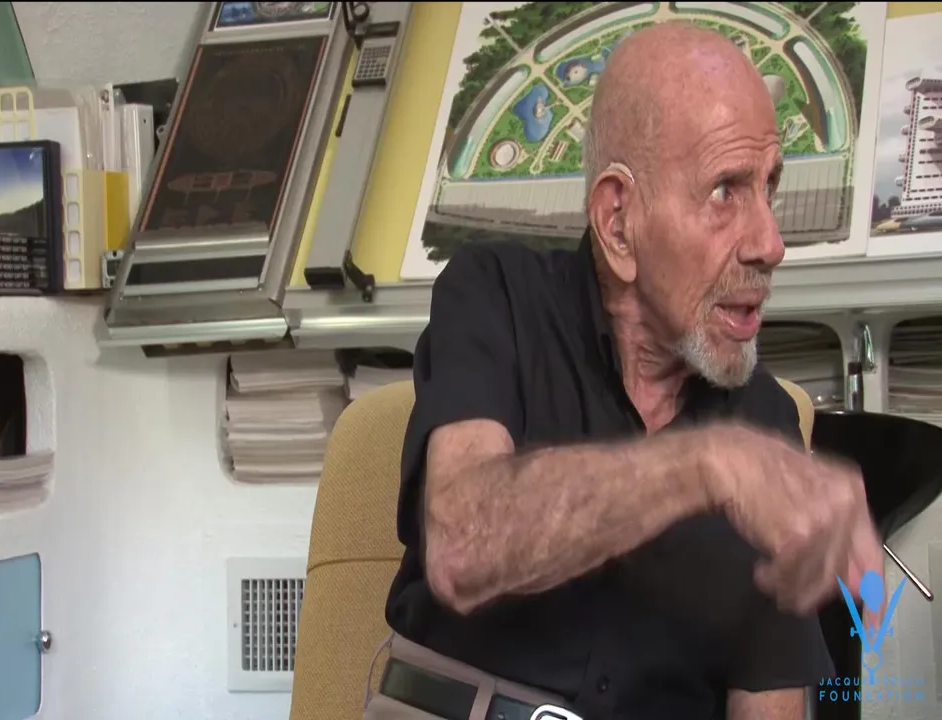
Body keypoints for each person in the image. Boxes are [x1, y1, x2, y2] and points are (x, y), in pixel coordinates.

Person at [370, 21, 883, 720]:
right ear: (618, 223)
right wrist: (704, 467)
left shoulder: (764, 422)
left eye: (770, 189)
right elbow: (463, 548)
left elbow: (770, 704)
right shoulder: (496, 297)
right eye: (726, 191)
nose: (770, 243)